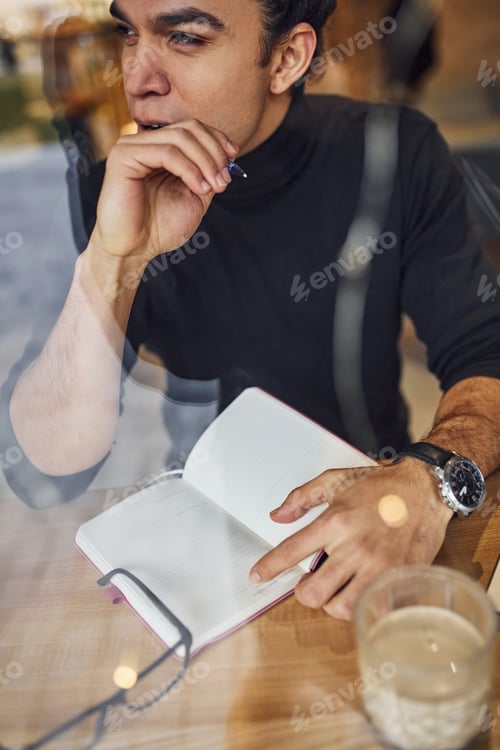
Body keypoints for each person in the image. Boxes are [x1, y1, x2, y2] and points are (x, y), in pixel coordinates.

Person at [2, 0, 500, 622]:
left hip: (372, 512)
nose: (136, 78)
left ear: (287, 57)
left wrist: (426, 478)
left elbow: (485, 352)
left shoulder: (392, 151)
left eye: (184, 38)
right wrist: (113, 261)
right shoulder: (109, 193)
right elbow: (47, 472)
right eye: (128, 33)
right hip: (205, 528)